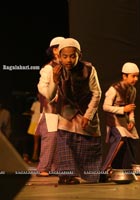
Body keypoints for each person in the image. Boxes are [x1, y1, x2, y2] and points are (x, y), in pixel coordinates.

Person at [47, 38, 102, 184]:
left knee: (88, 147)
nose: (69, 60)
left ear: (79, 55)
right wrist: (55, 79)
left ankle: (91, 175)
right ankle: (67, 175)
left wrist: (88, 116)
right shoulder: (56, 70)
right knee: (65, 143)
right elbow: (50, 96)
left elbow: (97, 93)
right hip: (66, 113)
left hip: (85, 113)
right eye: (64, 56)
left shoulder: (89, 69)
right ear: (59, 56)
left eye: (72, 56)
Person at [100, 62, 140, 182]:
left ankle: (122, 170)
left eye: (137, 76)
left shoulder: (133, 90)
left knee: (132, 141)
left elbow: (131, 109)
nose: (136, 79)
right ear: (124, 76)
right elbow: (105, 107)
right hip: (114, 120)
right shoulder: (114, 89)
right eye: (133, 76)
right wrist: (123, 109)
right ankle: (104, 170)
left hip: (125, 121)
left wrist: (132, 120)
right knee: (121, 139)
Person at [36, 36, 65, 177]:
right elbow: (42, 87)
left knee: (61, 139)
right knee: (51, 138)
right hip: (50, 110)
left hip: (64, 111)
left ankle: (55, 168)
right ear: (55, 50)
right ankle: (43, 168)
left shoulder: (67, 68)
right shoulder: (48, 68)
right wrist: (52, 95)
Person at [26, 94, 41, 163]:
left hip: (35, 122)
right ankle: (36, 156)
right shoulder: (45, 104)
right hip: (40, 122)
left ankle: (35, 156)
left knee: (36, 142)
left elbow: (32, 112)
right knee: (39, 141)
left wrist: (28, 113)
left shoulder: (35, 103)